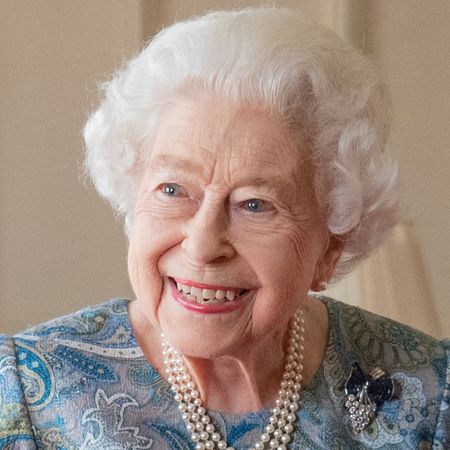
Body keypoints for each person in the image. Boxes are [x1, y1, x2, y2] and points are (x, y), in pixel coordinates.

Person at [0, 7, 448, 449]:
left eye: (255, 204)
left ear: (330, 245)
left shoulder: (427, 395)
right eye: (172, 190)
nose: (201, 244)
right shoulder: (26, 396)